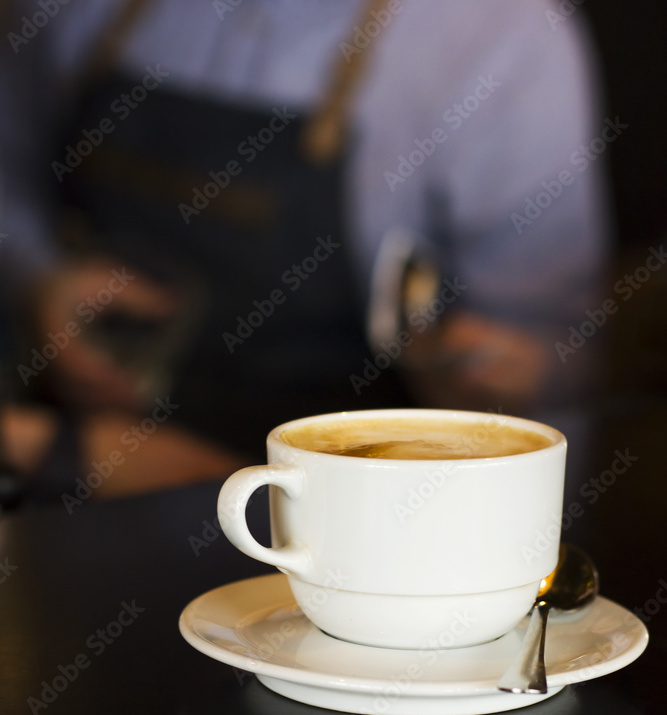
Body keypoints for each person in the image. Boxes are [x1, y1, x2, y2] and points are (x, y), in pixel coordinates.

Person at [0, 0, 610, 499]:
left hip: (343, 512)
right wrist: (39, 279)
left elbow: (561, 352)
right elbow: (10, 174)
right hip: (72, 468)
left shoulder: (501, 35)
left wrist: (498, 376)